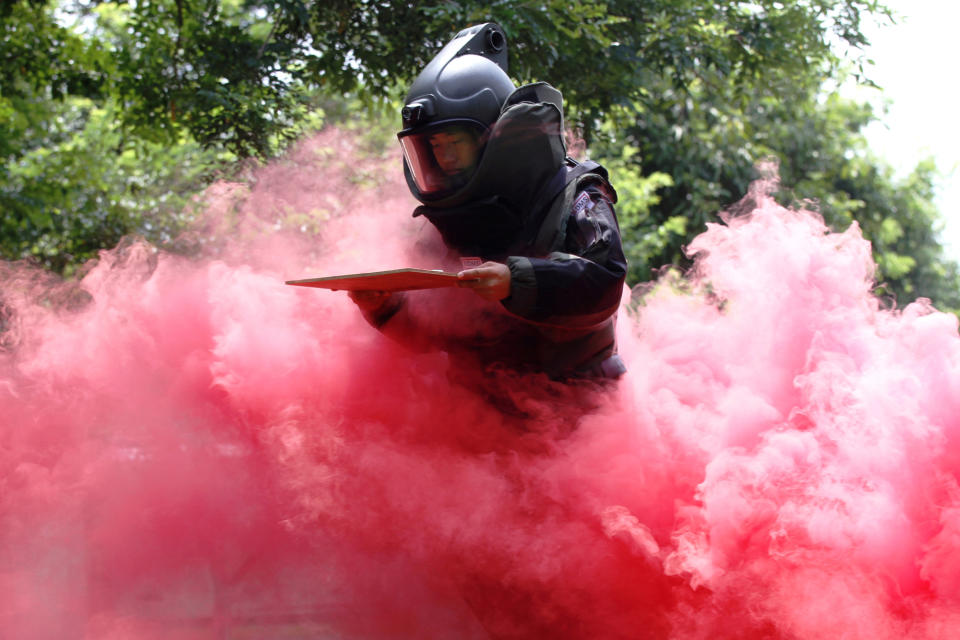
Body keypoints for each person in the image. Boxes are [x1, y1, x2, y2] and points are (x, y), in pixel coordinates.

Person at [350, 22, 627, 380]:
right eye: (433, 145)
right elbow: (433, 336)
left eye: (454, 141)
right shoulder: (443, 222)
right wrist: (384, 308)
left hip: (577, 415)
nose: (444, 157)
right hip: (480, 416)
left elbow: (605, 280)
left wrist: (516, 280)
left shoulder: (576, 195)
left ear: (492, 136)